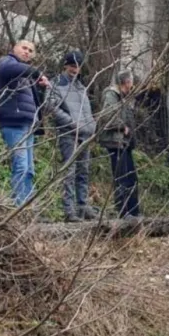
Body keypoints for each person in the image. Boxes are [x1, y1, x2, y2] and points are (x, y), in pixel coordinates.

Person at [0, 40, 50, 206]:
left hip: (28, 125)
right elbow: (9, 70)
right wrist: (36, 72)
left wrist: (41, 87)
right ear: (14, 48)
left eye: (30, 50)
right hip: (13, 124)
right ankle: (19, 206)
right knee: (21, 166)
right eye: (24, 48)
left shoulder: (25, 74)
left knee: (29, 170)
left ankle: (27, 205)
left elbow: (32, 101)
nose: (27, 52)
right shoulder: (7, 62)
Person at [46, 51, 96, 222]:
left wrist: (91, 127)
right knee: (69, 171)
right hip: (68, 134)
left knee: (84, 171)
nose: (75, 69)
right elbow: (51, 107)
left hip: (85, 135)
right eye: (72, 65)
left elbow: (87, 111)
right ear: (65, 65)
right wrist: (72, 123)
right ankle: (69, 210)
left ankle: (83, 206)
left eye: (78, 66)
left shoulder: (81, 87)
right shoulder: (55, 84)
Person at [99, 69, 140, 218]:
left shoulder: (125, 98)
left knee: (131, 177)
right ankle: (122, 211)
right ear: (127, 82)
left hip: (125, 143)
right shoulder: (111, 95)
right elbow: (107, 117)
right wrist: (123, 127)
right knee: (121, 177)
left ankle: (133, 210)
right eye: (131, 82)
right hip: (115, 142)